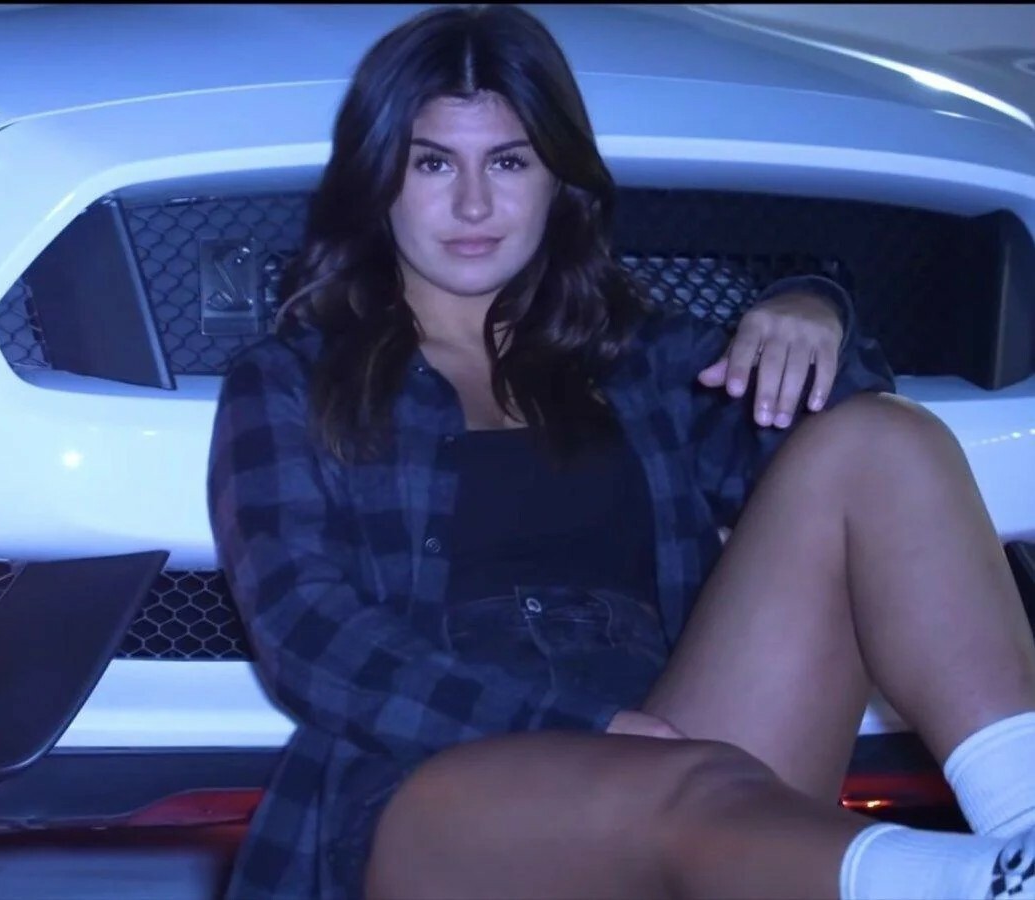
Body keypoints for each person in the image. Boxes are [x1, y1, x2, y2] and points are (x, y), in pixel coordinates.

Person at [205, 5, 1035, 899]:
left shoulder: (642, 362)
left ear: (557, 180)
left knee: (881, 436)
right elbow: (308, 636)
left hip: (674, 742)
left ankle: (1024, 824)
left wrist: (815, 308)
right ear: (378, 179)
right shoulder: (290, 380)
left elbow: (848, 452)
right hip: (432, 775)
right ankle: (974, 885)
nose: (474, 204)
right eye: (433, 162)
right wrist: (581, 722)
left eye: (510, 162)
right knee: (692, 783)